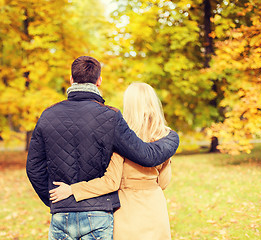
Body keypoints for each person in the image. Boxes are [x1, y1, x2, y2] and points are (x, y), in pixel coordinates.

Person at [26, 56, 179, 240]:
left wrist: (57, 200)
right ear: (99, 80)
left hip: (64, 211)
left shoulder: (47, 115)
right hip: (103, 212)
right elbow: (148, 158)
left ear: (71, 79)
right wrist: (171, 138)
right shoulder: (111, 118)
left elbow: (33, 167)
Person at [50, 82, 174, 240]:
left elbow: (111, 182)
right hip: (155, 208)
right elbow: (163, 183)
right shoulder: (164, 137)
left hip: (128, 210)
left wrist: (73, 189)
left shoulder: (122, 137)